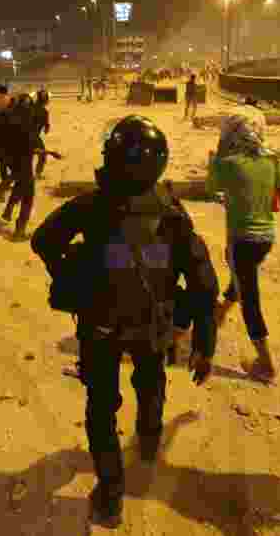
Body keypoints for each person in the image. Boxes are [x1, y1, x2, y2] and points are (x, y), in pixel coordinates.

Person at [30, 115, 220, 527]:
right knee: (150, 379)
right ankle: (149, 440)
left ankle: (111, 495)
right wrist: (205, 344)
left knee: (101, 408)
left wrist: (70, 275)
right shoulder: (172, 212)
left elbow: (42, 241)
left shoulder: (92, 204)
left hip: (100, 326)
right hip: (152, 324)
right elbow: (205, 283)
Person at [206, 110, 280, 382]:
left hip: (242, 238)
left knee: (250, 300)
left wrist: (218, 156)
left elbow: (211, 188)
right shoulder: (272, 159)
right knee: (244, 277)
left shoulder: (228, 163)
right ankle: (220, 312)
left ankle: (267, 364)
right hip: (266, 236)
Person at [0, 94, 39, 239]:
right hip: (24, 163)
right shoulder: (26, 123)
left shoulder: (10, 119)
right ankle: (19, 230)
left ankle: (8, 211)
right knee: (28, 195)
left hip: (14, 161)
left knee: (20, 186)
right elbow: (30, 146)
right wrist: (46, 151)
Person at [32, 89, 52, 179]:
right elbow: (46, 130)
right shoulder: (44, 112)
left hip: (22, 135)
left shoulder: (30, 107)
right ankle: (38, 174)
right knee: (42, 156)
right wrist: (47, 126)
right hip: (34, 137)